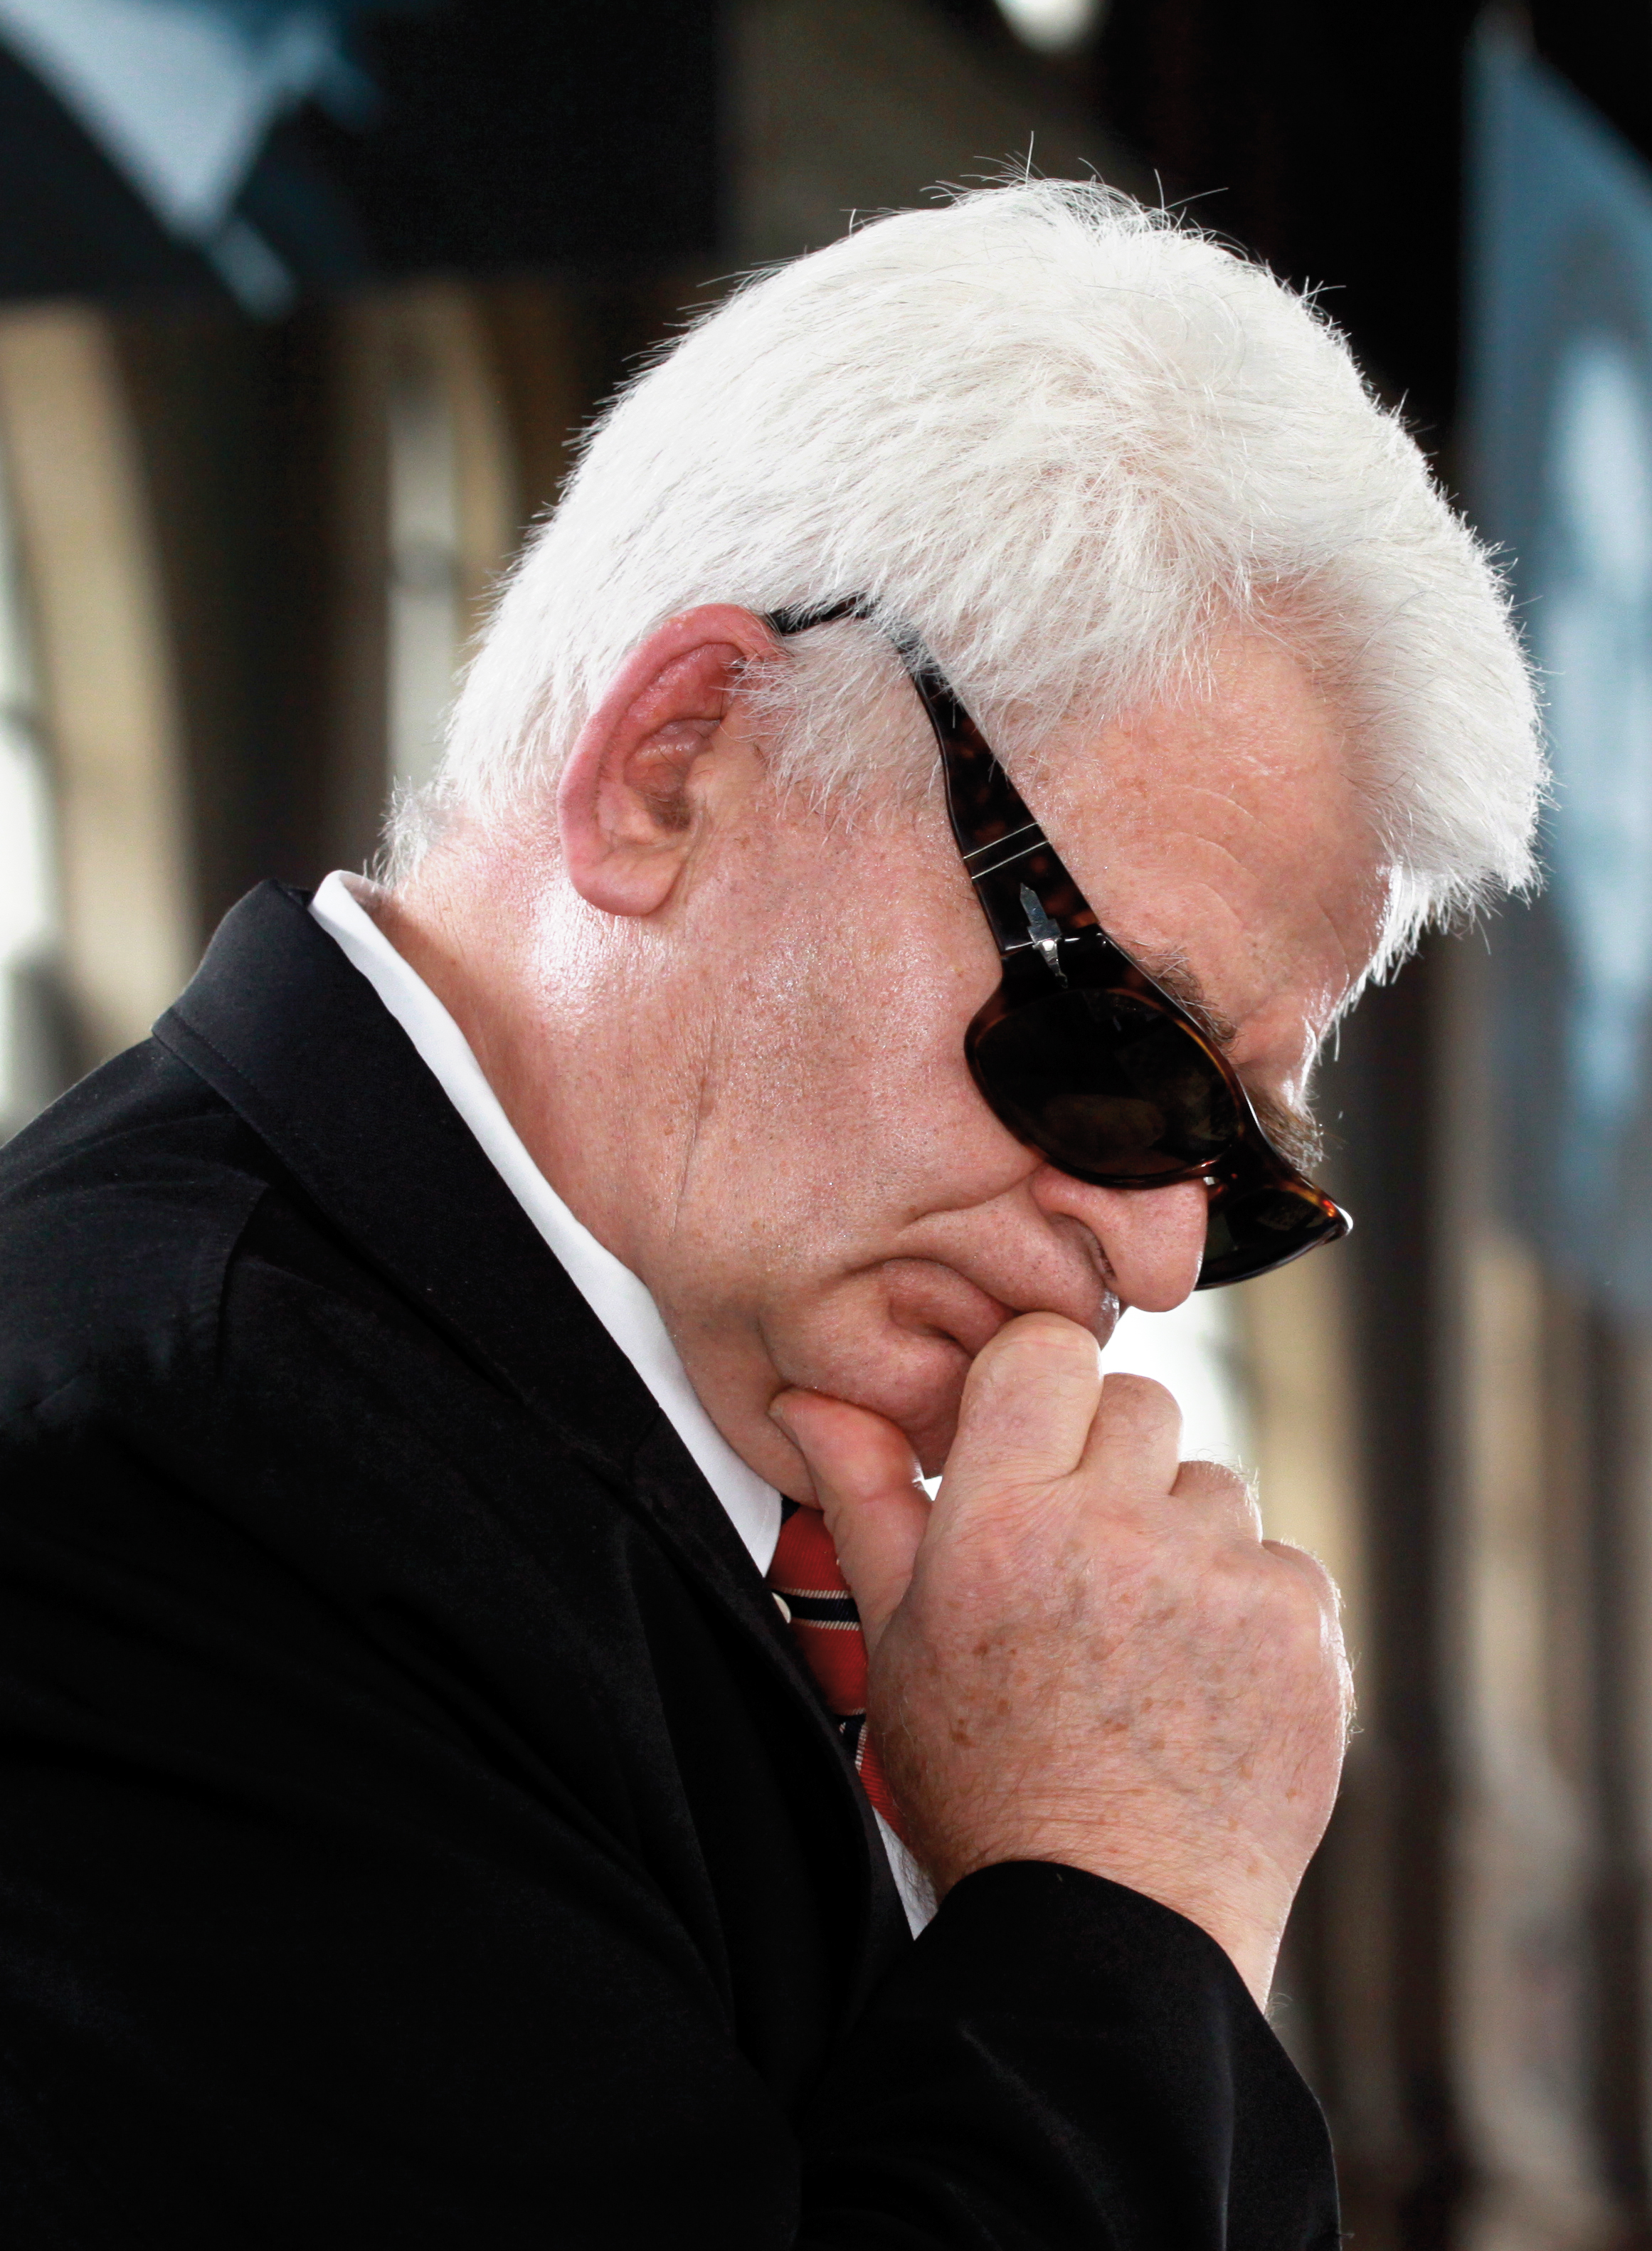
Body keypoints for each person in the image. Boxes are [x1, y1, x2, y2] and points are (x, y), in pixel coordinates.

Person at [0, 181, 1539, 2247]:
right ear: (676, 763)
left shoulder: (633, 1492)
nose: (1159, 1254)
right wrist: (1110, 1898)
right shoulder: (144, 1486)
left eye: (1233, 1160)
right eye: (1119, 1051)